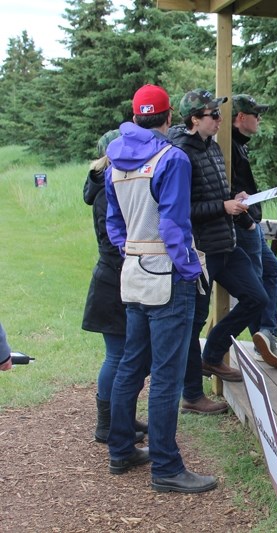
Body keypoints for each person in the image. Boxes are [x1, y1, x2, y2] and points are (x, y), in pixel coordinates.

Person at [105, 83, 217, 493]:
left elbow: (113, 223)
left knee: (131, 365)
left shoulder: (114, 159)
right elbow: (174, 225)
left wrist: (132, 250)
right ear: (169, 118)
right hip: (168, 275)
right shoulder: (172, 158)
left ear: (135, 117)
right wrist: (189, 270)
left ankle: (121, 450)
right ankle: (166, 468)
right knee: (167, 377)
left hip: (133, 271)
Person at [169, 89, 269, 415]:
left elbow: (214, 191)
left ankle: (212, 356)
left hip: (226, 244)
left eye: (219, 114)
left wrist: (234, 197)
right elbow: (181, 208)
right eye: (213, 115)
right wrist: (224, 206)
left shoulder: (211, 147)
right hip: (200, 252)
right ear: (194, 119)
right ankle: (192, 396)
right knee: (192, 322)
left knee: (257, 297)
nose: (220, 120)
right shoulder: (180, 154)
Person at [82, 129, 146, 444]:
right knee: (118, 355)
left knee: (125, 355)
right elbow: (116, 241)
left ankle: (122, 418)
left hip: (115, 277)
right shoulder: (110, 188)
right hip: (113, 279)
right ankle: (107, 425)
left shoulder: (108, 182)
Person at [230, 94, 277, 369]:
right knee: (256, 285)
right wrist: (246, 222)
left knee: (272, 273)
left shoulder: (238, 146)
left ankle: (267, 336)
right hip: (244, 224)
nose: (259, 118)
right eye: (255, 113)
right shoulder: (229, 147)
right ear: (240, 118)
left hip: (250, 222)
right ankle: (265, 339)